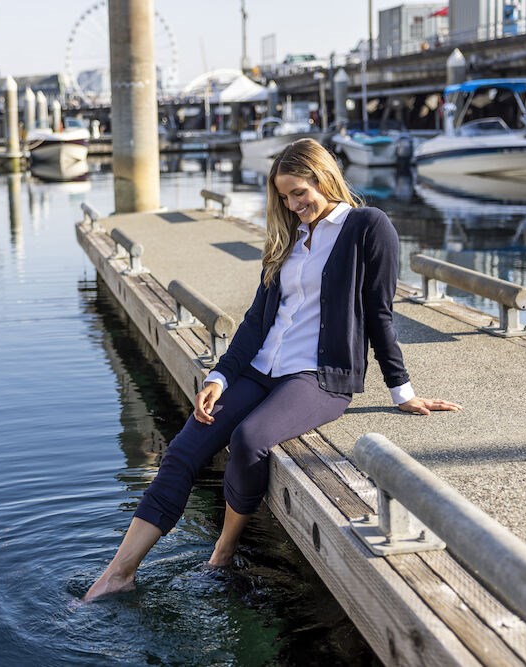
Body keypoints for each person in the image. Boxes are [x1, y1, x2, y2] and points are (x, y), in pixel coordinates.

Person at [84, 138, 461, 602]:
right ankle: (118, 572)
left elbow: (380, 312)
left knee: (249, 439)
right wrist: (219, 377)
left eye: (300, 192)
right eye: (284, 196)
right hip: (261, 368)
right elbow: (257, 321)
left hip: (319, 377)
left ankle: (222, 550)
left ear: (325, 178)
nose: (293, 204)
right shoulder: (288, 236)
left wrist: (402, 391)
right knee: (184, 450)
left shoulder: (368, 226)